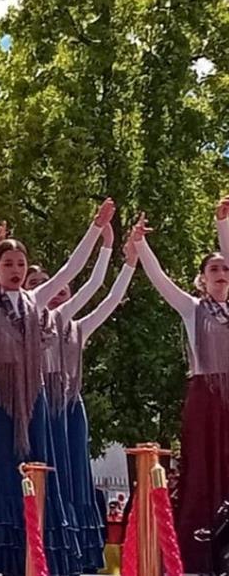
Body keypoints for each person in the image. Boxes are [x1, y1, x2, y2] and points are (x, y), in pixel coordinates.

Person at [0, 197, 114, 575]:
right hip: (0, 392)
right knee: (2, 468)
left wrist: (97, 228)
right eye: (7, 264)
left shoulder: (36, 300)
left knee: (39, 465)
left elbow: (72, 268)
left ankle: (43, 548)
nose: (15, 270)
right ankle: (2, 552)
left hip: (33, 394)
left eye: (20, 264)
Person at [136, 207, 229, 574]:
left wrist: (223, 225)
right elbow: (159, 279)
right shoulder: (192, 309)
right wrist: (141, 245)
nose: (221, 275)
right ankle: (199, 553)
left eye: (225, 269)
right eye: (213, 270)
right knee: (203, 472)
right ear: (201, 280)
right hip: (204, 397)